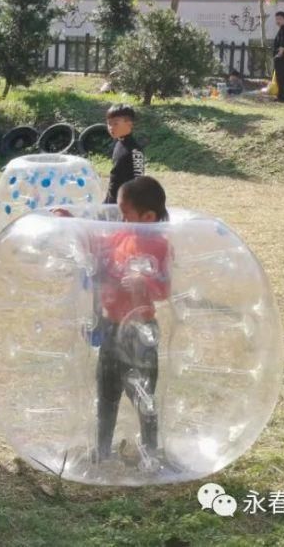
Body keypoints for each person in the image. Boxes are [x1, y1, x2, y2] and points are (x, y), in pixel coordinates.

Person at [94, 176, 171, 468]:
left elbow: (165, 289)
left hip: (140, 329)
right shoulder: (121, 235)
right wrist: (68, 222)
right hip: (111, 325)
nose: (120, 218)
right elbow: (95, 244)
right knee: (106, 391)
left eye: (125, 213)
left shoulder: (159, 244)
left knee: (143, 395)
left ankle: (150, 451)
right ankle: (102, 450)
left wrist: (144, 282)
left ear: (148, 216)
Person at [103, 104, 145, 205]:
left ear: (129, 124)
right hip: (112, 200)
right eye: (109, 123)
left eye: (115, 123)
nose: (111, 127)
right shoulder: (118, 143)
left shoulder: (135, 150)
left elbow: (138, 180)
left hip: (125, 204)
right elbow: (115, 178)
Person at [272, 11, 284, 103]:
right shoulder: (281, 30)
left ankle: (283, 97)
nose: (277, 21)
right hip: (279, 57)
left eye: (279, 19)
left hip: (281, 57)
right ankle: (280, 96)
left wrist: (278, 55)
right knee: (279, 78)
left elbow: (283, 45)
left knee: (281, 78)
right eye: (276, 19)